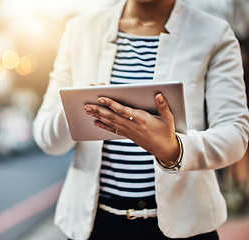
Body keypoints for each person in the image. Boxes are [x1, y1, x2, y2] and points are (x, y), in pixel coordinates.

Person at [33, 0, 249, 239]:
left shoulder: (214, 32)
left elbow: (235, 133)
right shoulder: (81, 30)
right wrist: (77, 107)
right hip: (95, 226)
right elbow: (47, 139)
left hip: (186, 227)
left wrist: (175, 149)